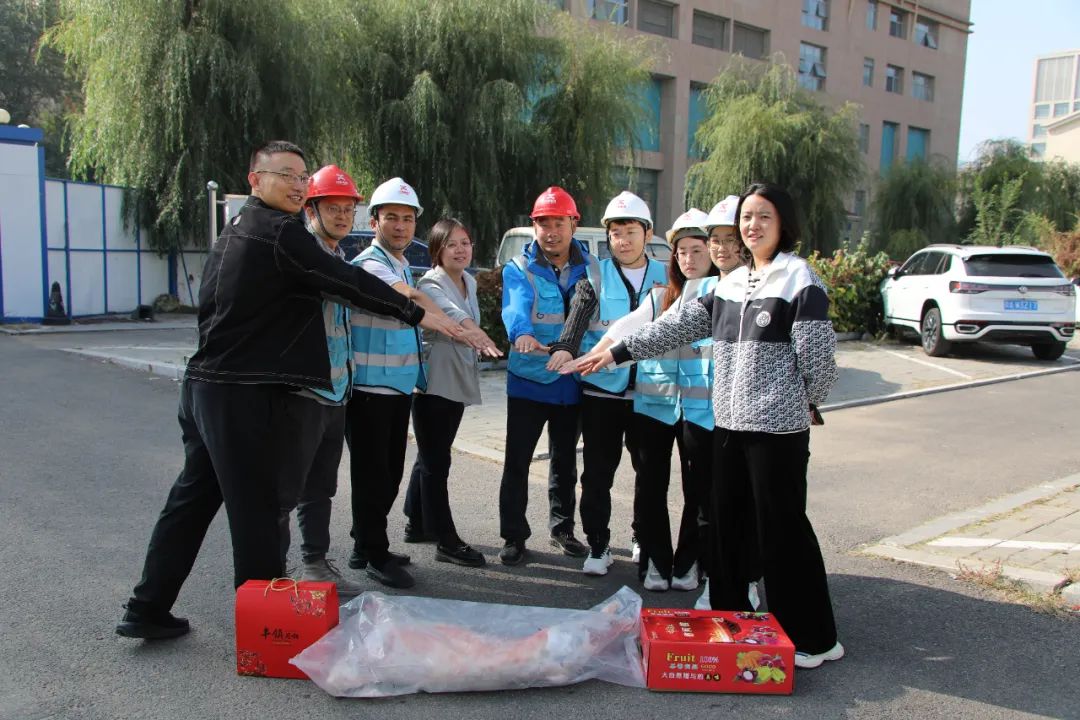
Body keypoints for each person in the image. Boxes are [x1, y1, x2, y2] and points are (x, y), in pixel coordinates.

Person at [116, 142, 459, 639]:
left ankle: (147, 607)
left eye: (302, 177)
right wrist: (415, 312)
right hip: (243, 395)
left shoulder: (238, 229)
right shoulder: (279, 232)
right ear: (255, 180)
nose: (298, 185)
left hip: (206, 387)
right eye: (286, 176)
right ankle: (266, 635)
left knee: (192, 501)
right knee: (259, 512)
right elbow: (345, 280)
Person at [571, 183, 843, 669]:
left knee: (782, 531)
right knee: (727, 526)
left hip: (777, 430)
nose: (752, 226)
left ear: (784, 225)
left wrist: (803, 403)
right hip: (730, 425)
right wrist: (615, 353)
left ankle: (813, 636)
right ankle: (733, 621)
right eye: (747, 217)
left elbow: (819, 361)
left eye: (763, 216)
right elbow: (671, 327)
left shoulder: (798, 278)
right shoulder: (731, 285)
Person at [564, 209, 718, 593]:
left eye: (697, 250)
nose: (688, 259)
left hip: (702, 410)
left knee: (699, 491)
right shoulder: (661, 296)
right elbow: (626, 328)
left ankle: (689, 563)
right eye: (682, 251)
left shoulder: (725, 294)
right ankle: (655, 562)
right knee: (650, 488)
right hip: (655, 405)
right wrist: (594, 355)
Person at [344, 177, 464, 590]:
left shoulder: (398, 261)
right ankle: (375, 554)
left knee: (389, 473)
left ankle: (364, 544)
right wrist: (450, 324)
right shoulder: (370, 264)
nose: (400, 226)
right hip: (369, 390)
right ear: (374, 221)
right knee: (373, 476)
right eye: (392, 217)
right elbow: (409, 298)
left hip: (395, 387)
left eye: (408, 219)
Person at [545, 191, 667, 576]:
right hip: (602, 393)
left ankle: (643, 537)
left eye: (631, 232)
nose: (623, 241)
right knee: (597, 474)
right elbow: (578, 317)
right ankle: (598, 545)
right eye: (616, 233)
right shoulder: (594, 275)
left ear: (648, 234)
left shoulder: (668, 277)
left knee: (650, 475)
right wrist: (565, 348)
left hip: (652, 392)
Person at [279, 165, 366, 597]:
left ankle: (315, 563)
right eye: (333, 208)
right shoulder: (303, 256)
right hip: (304, 391)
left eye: (348, 209)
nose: (342, 216)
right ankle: (273, 574)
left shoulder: (339, 258)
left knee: (321, 486)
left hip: (336, 390)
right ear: (311, 209)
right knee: (287, 487)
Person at [498, 186, 596, 566]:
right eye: (544, 224)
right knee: (517, 461)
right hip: (528, 380)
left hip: (571, 382)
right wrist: (520, 332)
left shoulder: (593, 268)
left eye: (559, 223)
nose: (551, 232)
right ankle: (513, 535)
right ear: (533, 225)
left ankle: (562, 529)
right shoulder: (519, 267)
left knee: (564, 463)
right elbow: (516, 305)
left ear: (574, 224)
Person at [402, 218, 502, 567]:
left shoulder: (469, 281)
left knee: (432, 453)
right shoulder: (430, 282)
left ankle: (416, 521)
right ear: (437, 250)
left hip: (457, 378)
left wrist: (477, 335)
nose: (461, 250)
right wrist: (476, 333)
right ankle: (445, 540)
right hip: (434, 381)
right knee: (436, 462)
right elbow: (451, 314)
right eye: (452, 244)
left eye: (465, 242)